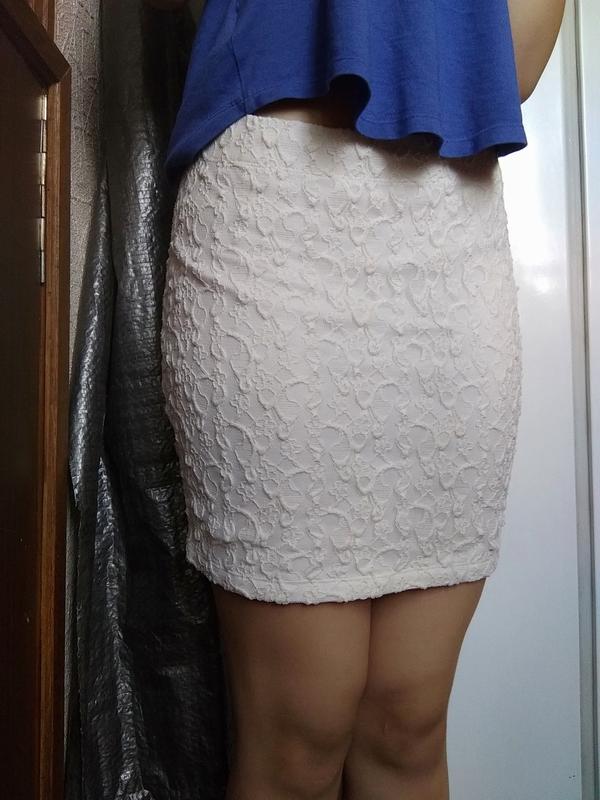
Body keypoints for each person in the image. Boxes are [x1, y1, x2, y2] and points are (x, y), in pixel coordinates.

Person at [151, 1, 566, 798]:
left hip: (450, 229)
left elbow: (511, 67)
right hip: (276, 204)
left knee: (408, 725)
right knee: (299, 738)